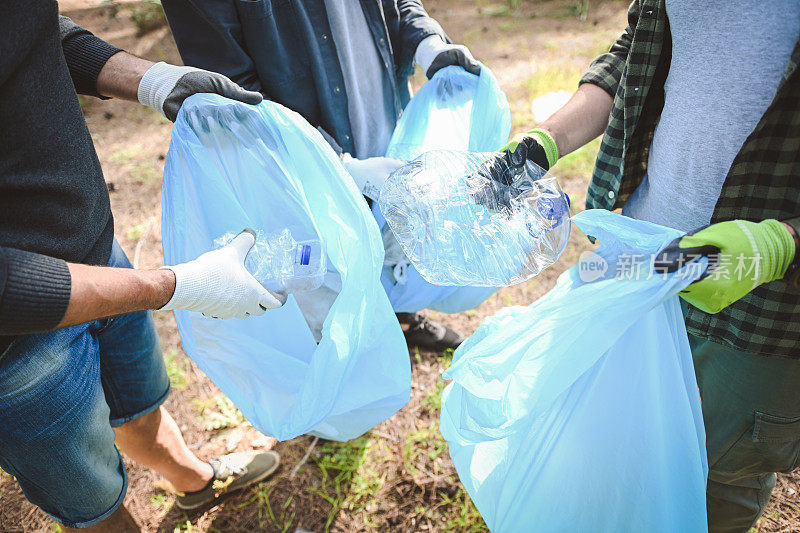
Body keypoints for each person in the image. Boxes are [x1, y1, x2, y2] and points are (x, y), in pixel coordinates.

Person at [492, 1, 800, 530]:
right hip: (637, 256)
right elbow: (638, 49)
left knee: (710, 485)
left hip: (758, 311)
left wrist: (781, 243)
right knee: (600, 442)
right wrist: (547, 140)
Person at [0, 6, 289, 531]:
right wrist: (175, 285)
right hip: (15, 348)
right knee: (91, 502)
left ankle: (195, 483)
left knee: (138, 403)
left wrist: (155, 80)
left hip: (96, 250)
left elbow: (30, 33)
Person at [160, 0, 480, 351]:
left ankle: (399, 316)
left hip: (379, 113)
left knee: (392, 232)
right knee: (324, 277)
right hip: (292, 154)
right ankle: (341, 346)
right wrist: (336, 163)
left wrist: (425, 41)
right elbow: (227, 85)